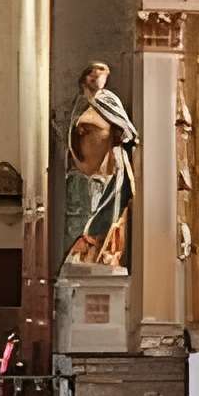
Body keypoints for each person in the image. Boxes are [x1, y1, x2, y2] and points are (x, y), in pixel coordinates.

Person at [60, 62, 137, 267]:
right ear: (85, 79)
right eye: (94, 77)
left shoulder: (109, 101)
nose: (98, 82)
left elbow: (127, 129)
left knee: (109, 212)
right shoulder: (80, 104)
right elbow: (71, 134)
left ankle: (105, 254)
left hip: (109, 167)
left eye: (102, 77)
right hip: (82, 170)